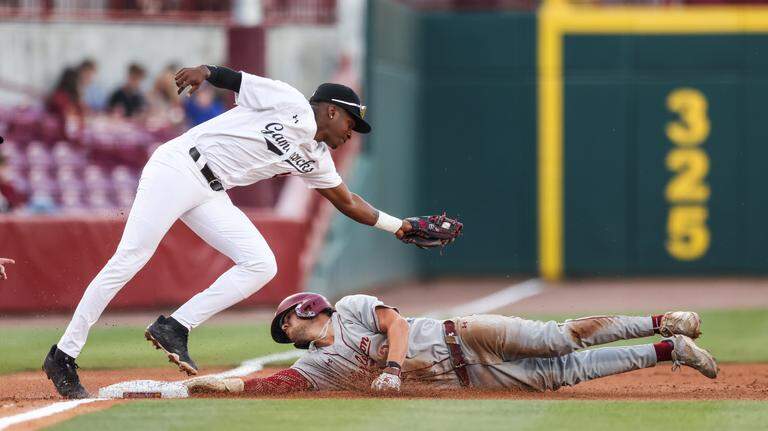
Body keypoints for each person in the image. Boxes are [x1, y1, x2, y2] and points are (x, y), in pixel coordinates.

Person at [43, 65, 431, 399]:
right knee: (131, 258)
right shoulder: (291, 102)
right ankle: (63, 355)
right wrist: (205, 72)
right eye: (351, 121)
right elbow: (236, 79)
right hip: (179, 166)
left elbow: (348, 202)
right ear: (330, 111)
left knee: (261, 264)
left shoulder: (317, 158)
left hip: (210, 191)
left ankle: (174, 326)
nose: (352, 132)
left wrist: (402, 227)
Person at [183, 293, 718, 395]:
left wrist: (392, 369)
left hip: (463, 334)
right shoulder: (322, 367)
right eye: (285, 331)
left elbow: (393, 324)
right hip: (468, 378)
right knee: (563, 374)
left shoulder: (347, 307)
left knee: (559, 338)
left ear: (301, 312)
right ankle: (670, 351)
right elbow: (277, 382)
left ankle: (661, 320)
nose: (288, 332)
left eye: (286, 324)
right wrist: (217, 386)